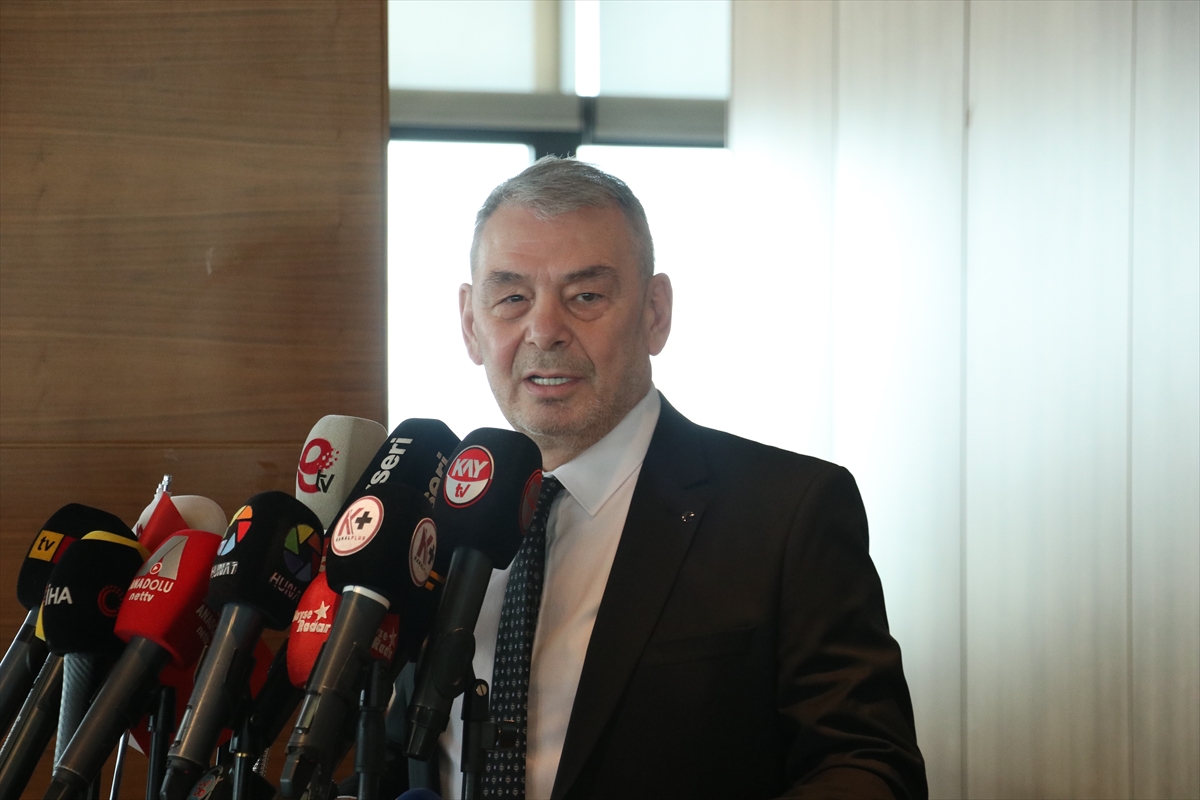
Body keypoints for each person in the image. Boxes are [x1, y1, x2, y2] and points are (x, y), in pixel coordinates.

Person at [395, 157, 926, 800]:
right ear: (470, 323)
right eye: (512, 298)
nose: (545, 331)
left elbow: (866, 764)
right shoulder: (430, 518)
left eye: (586, 296)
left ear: (655, 312)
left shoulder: (787, 513)